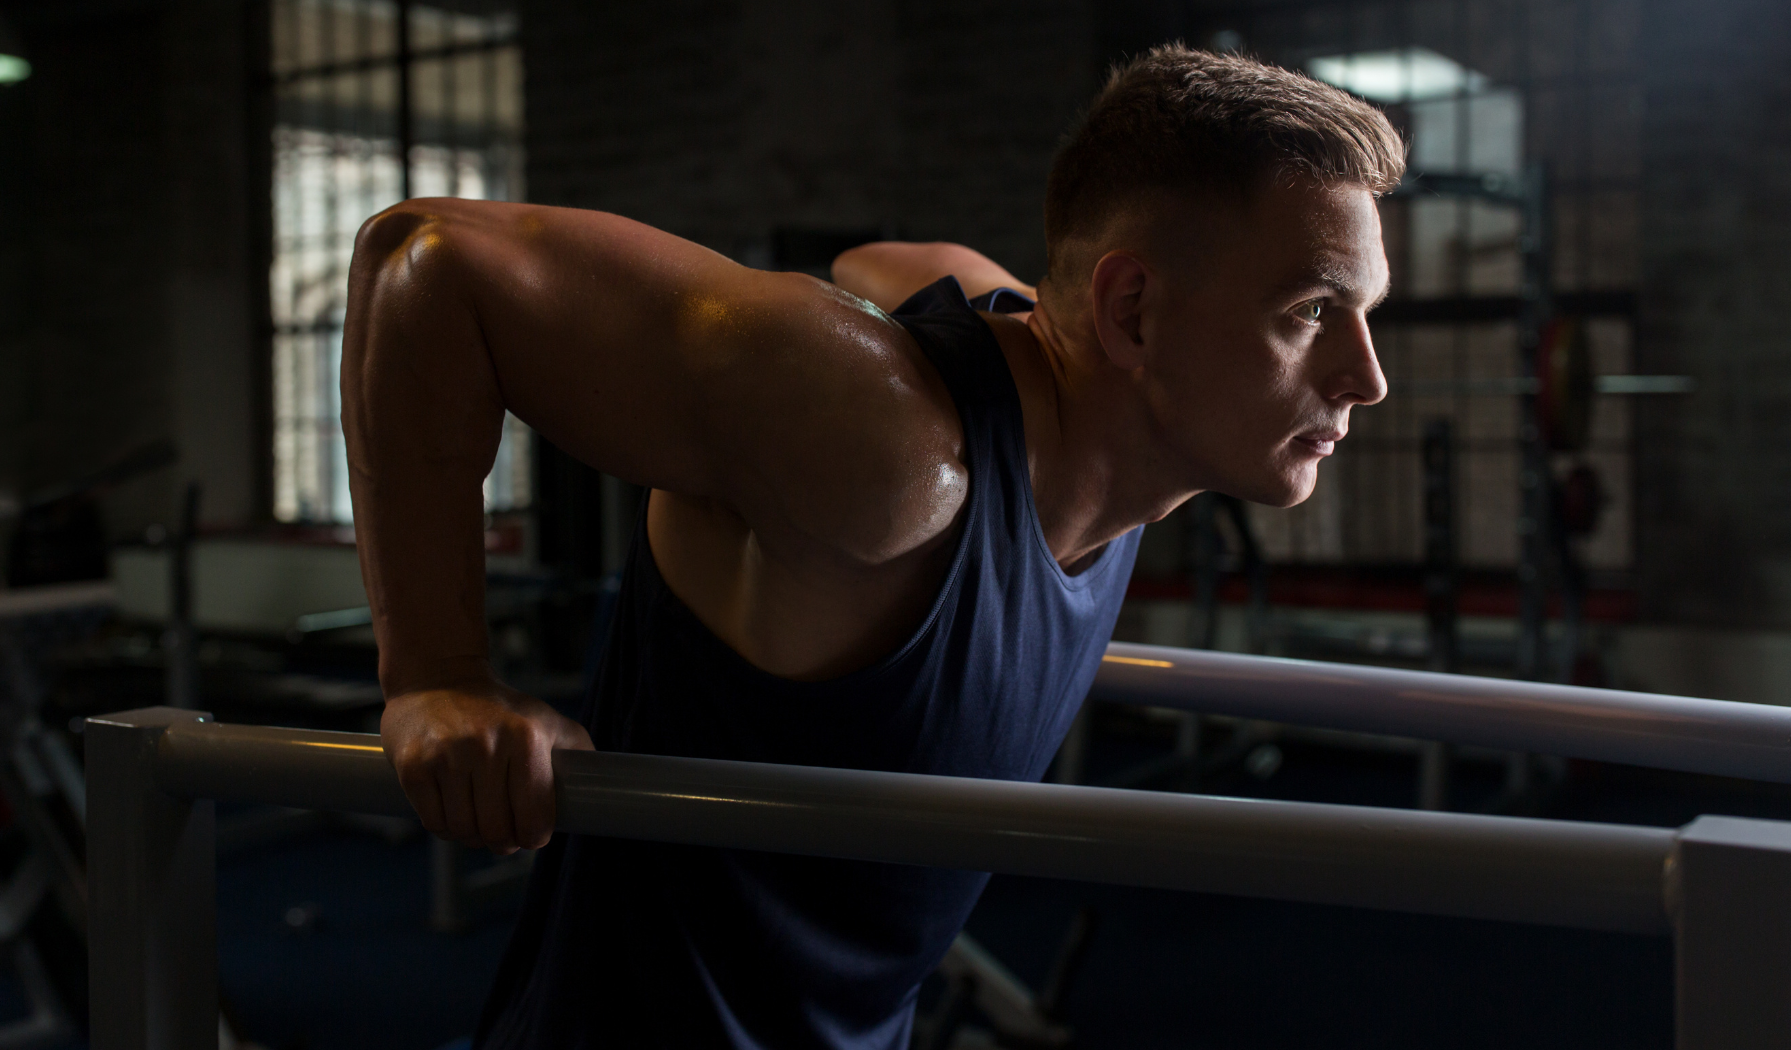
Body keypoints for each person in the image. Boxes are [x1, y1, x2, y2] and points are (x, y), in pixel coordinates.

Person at [341, 44, 1400, 1049]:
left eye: (1363, 314)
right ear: (1129, 311)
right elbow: (428, 259)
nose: (1366, 377)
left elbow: (891, 260)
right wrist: (437, 677)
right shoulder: (886, 456)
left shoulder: (1098, 422)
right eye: (1312, 311)